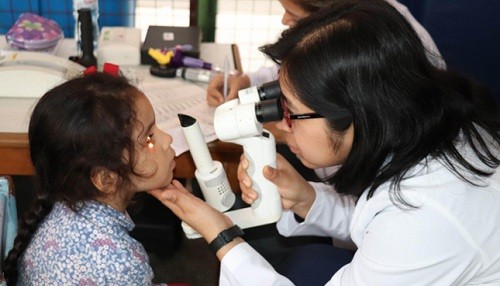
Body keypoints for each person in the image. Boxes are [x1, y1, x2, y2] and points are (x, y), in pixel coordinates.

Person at [148, 0, 500, 285]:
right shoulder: (420, 121)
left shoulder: (424, 218)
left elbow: (396, 221)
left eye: (293, 112)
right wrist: (308, 198)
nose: (282, 128)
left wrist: (223, 238)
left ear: (354, 115)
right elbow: (373, 214)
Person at [1, 72, 176, 285]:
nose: (168, 139)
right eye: (149, 138)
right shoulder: (123, 263)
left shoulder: (59, 208)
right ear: (106, 179)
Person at [206, 0, 446, 107]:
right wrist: (249, 81)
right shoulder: (358, 20)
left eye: (294, 15)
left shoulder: (376, 44)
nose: (284, 20)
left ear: (328, 14)